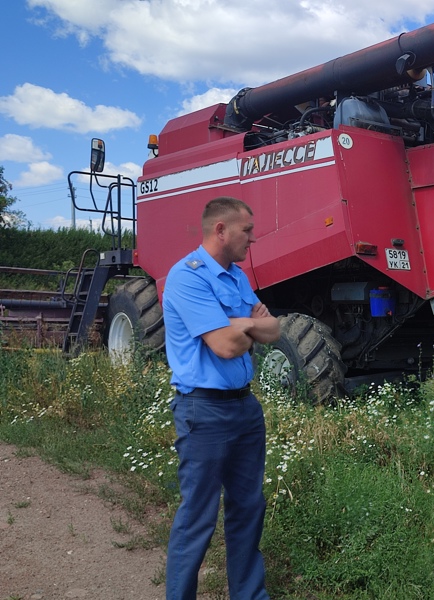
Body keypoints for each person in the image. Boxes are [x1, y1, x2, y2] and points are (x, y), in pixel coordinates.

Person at [162, 196, 281, 599]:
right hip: (203, 411)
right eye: (246, 230)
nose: (252, 238)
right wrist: (249, 322)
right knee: (197, 518)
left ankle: (250, 595)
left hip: (245, 409)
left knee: (248, 508)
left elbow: (274, 331)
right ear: (221, 230)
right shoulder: (187, 276)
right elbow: (227, 347)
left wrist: (237, 323)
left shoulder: (236, 277)